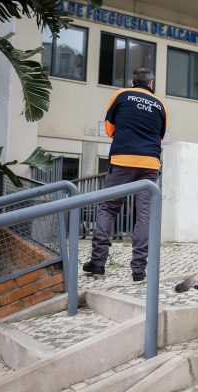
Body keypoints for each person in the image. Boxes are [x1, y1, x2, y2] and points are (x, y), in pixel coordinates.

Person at [82, 68, 167, 282]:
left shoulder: (121, 95)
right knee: (144, 214)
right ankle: (139, 269)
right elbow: (160, 135)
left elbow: (109, 129)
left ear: (133, 81)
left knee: (108, 208)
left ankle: (98, 263)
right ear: (151, 83)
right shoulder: (160, 105)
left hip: (122, 161)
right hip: (149, 164)